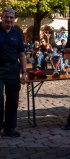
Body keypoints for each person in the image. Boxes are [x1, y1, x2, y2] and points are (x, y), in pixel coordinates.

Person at [0, 8, 26, 137]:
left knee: (13, 100)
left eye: (11, 17)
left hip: (13, 69)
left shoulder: (17, 34)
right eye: (6, 17)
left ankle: (9, 128)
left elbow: (22, 54)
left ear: (13, 19)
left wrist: (24, 72)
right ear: (2, 17)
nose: (8, 19)